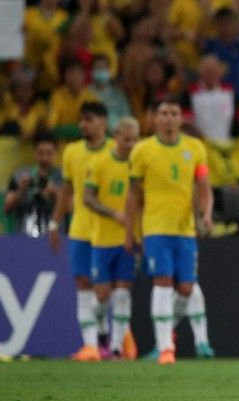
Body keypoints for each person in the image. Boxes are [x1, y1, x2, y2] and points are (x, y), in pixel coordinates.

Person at [125, 99, 215, 365]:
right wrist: (130, 230)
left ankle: (163, 336)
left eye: (174, 113)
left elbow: (204, 186)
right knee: (162, 282)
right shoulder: (142, 150)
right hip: (155, 228)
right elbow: (133, 195)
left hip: (185, 230)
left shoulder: (195, 148)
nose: (168, 118)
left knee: (186, 288)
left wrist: (206, 213)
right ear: (154, 118)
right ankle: (166, 348)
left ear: (181, 119)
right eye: (163, 113)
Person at [48, 101, 114, 362]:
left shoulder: (115, 150)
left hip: (109, 231)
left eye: (88, 119)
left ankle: (105, 334)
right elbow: (66, 191)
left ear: (102, 122)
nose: (82, 125)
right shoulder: (72, 152)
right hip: (80, 229)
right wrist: (55, 223)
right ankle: (90, 347)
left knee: (105, 292)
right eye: (81, 120)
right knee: (83, 285)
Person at [83, 117, 140, 360]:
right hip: (102, 239)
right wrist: (113, 212)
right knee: (102, 296)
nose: (131, 144)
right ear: (116, 137)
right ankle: (103, 333)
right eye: (127, 139)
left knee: (123, 294)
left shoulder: (138, 166)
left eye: (135, 140)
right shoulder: (99, 162)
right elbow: (88, 198)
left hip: (127, 239)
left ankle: (116, 348)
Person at [4, 132, 62, 238]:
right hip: (22, 239)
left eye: (49, 153)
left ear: (56, 152)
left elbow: (71, 208)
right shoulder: (19, 175)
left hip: (55, 240)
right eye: (40, 153)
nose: (44, 158)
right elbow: (7, 208)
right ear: (34, 152)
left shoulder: (64, 177)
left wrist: (54, 192)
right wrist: (20, 191)